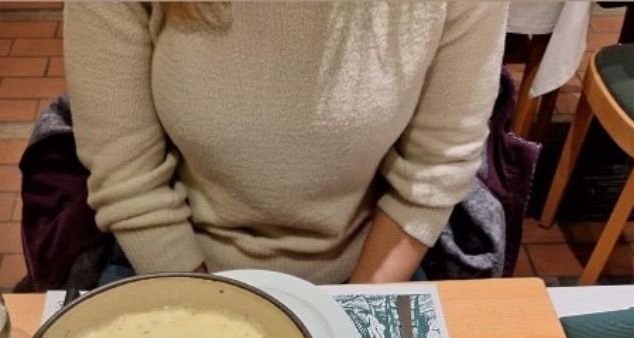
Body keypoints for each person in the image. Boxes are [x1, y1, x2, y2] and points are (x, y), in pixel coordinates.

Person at [64, 2, 508, 285]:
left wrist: (353, 311)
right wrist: (209, 317)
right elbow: (126, 170)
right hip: (175, 263)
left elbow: (436, 167)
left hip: (369, 266)